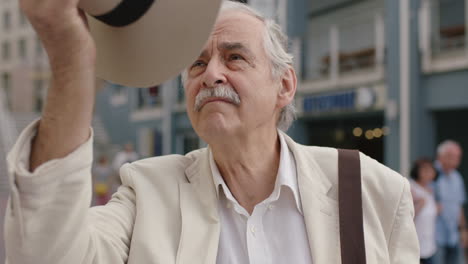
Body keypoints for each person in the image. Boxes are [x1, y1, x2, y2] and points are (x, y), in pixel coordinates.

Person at [4, 1, 419, 263]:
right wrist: (71, 55)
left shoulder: (374, 191)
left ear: (285, 85)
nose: (211, 74)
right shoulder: (146, 190)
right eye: (197, 64)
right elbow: (43, 254)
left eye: (234, 57)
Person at [434, 140, 467, 264]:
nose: (455, 161)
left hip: (454, 234)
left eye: (458, 157)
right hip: (435, 236)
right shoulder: (429, 173)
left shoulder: (457, 177)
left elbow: (459, 206)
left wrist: (463, 229)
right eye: (451, 157)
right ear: (440, 157)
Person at [410, 158, 438, 264]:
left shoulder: (430, 189)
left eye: (431, 170)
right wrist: (419, 205)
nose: (429, 173)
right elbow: (405, 217)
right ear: (417, 171)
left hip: (430, 246)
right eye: (425, 170)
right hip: (415, 247)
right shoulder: (411, 187)